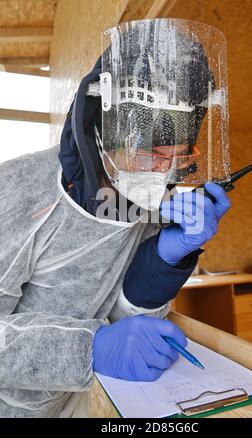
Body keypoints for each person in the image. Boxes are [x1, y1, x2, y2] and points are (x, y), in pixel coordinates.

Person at [0, 19, 230, 417]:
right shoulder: (18, 191)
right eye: (151, 155)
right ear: (102, 129)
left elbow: (123, 319)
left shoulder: (151, 195)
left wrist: (162, 262)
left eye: (181, 156)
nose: (163, 173)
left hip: (81, 397)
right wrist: (88, 349)